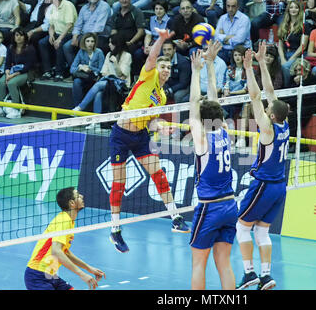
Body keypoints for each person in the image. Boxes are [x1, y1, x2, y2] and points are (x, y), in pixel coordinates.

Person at [108, 28, 190, 254]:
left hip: (141, 137)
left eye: (168, 68)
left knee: (158, 174)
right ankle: (115, 229)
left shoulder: (162, 96)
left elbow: (151, 122)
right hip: (121, 137)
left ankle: (175, 216)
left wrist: (162, 128)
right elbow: (152, 57)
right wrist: (162, 39)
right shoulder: (149, 75)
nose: (165, 70)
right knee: (119, 184)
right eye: (163, 66)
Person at [236, 41, 289, 290]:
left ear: (273, 115)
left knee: (241, 227)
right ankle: (266, 276)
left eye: (269, 109)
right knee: (262, 233)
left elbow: (256, 95)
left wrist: (248, 68)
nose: (266, 107)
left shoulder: (267, 128)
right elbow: (269, 92)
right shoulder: (284, 124)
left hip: (264, 185)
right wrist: (261, 62)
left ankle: (249, 273)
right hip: (280, 187)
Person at [188, 40, 237, 290]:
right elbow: (213, 101)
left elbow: (195, 104)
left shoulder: (202, 137)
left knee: (198, 263)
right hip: (230, 205)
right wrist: (209, 65)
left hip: (209, 208)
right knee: (224, 264)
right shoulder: (225, 130)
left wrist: (196, 70)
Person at [24, 187, 106, 290]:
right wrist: (82, 274)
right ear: (72, 203)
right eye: (78, 196)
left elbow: (65, 252)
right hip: (37, 276)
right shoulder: (64, 220)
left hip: (50, 275)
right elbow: (56, 252)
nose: (82, 196)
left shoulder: (69, 220)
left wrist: (89, 269)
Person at [72, 33, 131, 116]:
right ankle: (96, 123)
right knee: (98, 93)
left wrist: (115, 64)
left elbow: (122, 75)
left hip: (121, 85)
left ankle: (80, 107)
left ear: (117, 44)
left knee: (99, 85)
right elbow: (103, 72)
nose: (109, 44)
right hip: (109, 81)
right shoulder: (109, 54)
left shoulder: (127, 56)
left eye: (111, 43)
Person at [0, 28, 37, 119]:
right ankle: (1, 108)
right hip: (12, 71)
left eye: (21, 35)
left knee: (11, 83)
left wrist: (12, 76)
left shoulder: (30, 49)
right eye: (16, 35)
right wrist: (7, 73)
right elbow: (8, 63)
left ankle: (16, 109)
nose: (18, 37)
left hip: (26, 72)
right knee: (1, 82)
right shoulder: (11, 47)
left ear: (25, 37)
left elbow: (27, 66)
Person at [63, 0, 111, 67]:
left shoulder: (104, 6)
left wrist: (85, 40)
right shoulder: (84, 8)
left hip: (99, 36)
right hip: (83, 35)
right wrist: (75, 37)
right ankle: (75, 71)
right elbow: (78, 25)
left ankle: (90, 72)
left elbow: (98, 28)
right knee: (67, 46)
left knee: (87, 45)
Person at [38, 0, 77, 81]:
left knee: (59, 44)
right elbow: (51, 24)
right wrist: (51, 35)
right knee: (42, 43)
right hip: (57, 32)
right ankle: (48, 71)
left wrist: (59, 39)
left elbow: (69, 24)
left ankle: (60, 73)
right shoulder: (52, 7)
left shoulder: (68, 5)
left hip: (69, 33)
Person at [108, 0, 146, 77]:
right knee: (106, 47)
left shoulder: (136, 12)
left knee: (135, 53)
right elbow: (114, 30)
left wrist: (131, 42)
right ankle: (111, 75)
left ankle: (133, 77)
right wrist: (113, 42)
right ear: (119, 0)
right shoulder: (116, 13)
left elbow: (141, 31)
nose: (124, 0)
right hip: (119, 41)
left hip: (133, 42)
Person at [277, 0, 310, 88]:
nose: (293, 9)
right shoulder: (284, 24)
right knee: (273, 64)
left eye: (296, 7)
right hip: (284, 53)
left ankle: (286, 89)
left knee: (285, 67)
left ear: (299, 10)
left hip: (297, 54)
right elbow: (280, 45)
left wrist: (292, 58)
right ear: (288, 10)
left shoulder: (304, 25)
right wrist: (283, 58)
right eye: (291, 7)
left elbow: (303, 46)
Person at [70, 32, 105, 111]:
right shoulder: (81, 52)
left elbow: (102, 70)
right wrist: (81, 67)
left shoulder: (99, 52)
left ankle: (79, 108)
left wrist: (90, 68)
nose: (90, 43)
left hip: (94, 78)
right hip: (84, 77)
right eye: (88, 41)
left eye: (92, 41)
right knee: (76, 81)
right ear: (84, 42)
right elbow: (72, 69)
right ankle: (77, 107)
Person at [214, 0, 251, 65]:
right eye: (228, 6)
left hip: (240, 50)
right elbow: (216, 37)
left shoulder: (244, 19)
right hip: (224, 49)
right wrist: (231, 36)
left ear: (238, 7)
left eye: (233, 6)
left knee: (233, 55)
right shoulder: (222, 18)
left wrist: (223, 37)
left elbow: (239, 39)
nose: (230, 9)